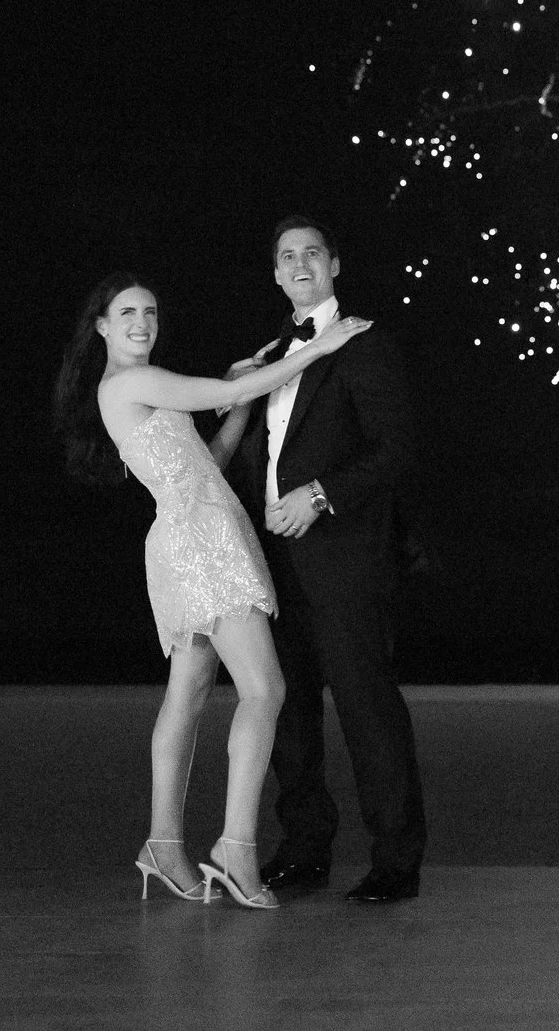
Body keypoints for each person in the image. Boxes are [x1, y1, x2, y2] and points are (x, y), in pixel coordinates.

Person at [51, 270, 371, 907]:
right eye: (128, 313)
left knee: (189, 695)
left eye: (150, 311)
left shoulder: (143, 388)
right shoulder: (132, 381)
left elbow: (211, 458)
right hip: (202, 542)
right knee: (266, 688)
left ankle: (164, 845)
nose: (143, 322)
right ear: (103, 327)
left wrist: (240, 399)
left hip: (193, 532)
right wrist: (317, 347)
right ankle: (236, 848)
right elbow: (239, 385)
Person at [223, 216, 426, 902]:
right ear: (276, 273)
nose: (301, 262)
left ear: (334, 264)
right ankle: (305, 848)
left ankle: (396, 860)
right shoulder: (272, 353)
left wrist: (321, 493)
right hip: (273, 563)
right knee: (287, 709)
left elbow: (395, 449)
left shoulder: (363, 344)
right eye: (288, 255)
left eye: (313, 251)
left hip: (343, 559)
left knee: (366, 706)